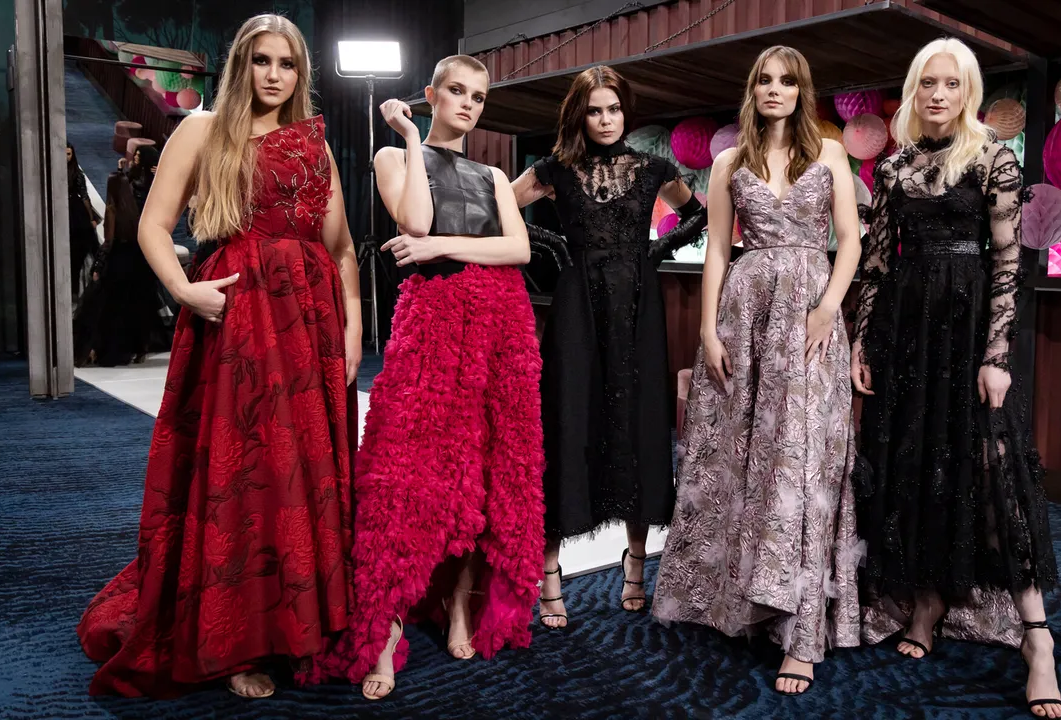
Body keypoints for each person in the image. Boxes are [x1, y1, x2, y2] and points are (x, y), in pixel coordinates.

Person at [75, 14, 362, 699]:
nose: (273, 75)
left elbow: (343, 250)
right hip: (238, 323)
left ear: (301, 72)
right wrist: (183, 290)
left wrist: (352, 333)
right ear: (240, 65)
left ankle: (301, 620)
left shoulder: (315, 145)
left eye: (286, 63)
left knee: (303, 475)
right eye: (261, 60)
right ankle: (238, 641)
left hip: (311, 330)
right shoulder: (204, 130)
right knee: (249, 476)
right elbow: (152, 225)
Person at [302, 55, 544, 702]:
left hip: (501, 325)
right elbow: (414, 221)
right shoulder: (393, 155)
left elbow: (517, 249)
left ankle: (460, 604)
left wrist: (440, 248)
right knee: (405, 475)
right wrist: (411, 137)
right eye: (456, 91)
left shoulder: (494, 175)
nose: (468, 104)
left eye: (478, 97)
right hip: (433, 323)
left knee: (484, 471)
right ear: (432, 95)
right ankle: (383, 627)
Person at [851, 37, 1061, 718]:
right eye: (927, 83)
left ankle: (1037, 638)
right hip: (906, 332)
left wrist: (997, 356)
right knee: (915, 466)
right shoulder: (894, 168)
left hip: (970, 329)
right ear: (913, 91)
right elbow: (876, 265)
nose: (938, 94)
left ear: (967, 91)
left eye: (950, 83)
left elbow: (1008, 262)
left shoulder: (993, 159)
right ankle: (927, 602)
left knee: (995, 468)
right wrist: (861, 342)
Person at [651, 45, 863, 696]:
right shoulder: (727, 162)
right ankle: (740, 600)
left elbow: (850, 241)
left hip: (810, 311)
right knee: (740, 454)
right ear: (752, 90)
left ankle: (801, 631)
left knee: (802, 458)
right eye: (765, 80)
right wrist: (706, 328)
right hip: (745, 312)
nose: (775, 89)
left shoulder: (831, 154)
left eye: (787, 81)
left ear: (802, 91)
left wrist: (828, 308)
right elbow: (718, 247)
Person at [511, 65, 706, 628]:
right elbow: (499, 208)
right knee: (568, 420)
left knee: (637, 423)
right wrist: (554, 247)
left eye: (613, 109)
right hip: (577, 307)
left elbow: (698, 215)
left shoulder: (655, 169)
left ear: (626, 112)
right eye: (594, 110)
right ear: (580, 114)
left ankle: (636, 564)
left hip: (639, 310)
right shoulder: (554, 169)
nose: (605, 119)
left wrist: (655, 251)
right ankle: (549, 573)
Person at [72, 145, 165, 367]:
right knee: (118, 301)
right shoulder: (125, 182)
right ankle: (116, 347)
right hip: (130, 249)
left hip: (138, 251)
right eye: (136, 155)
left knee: (131, 301)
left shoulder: (150, 186)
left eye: (139, 157)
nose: (135, 159)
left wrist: (158, 176)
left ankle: (131, 346)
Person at [66, 144, 101, 298]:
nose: (66, 157)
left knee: (82, 246)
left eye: (69, 154)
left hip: (74, 211)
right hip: (60, 207)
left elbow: (84, 196)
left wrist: (91, 217)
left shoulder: (77, 174)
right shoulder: (52, 170)